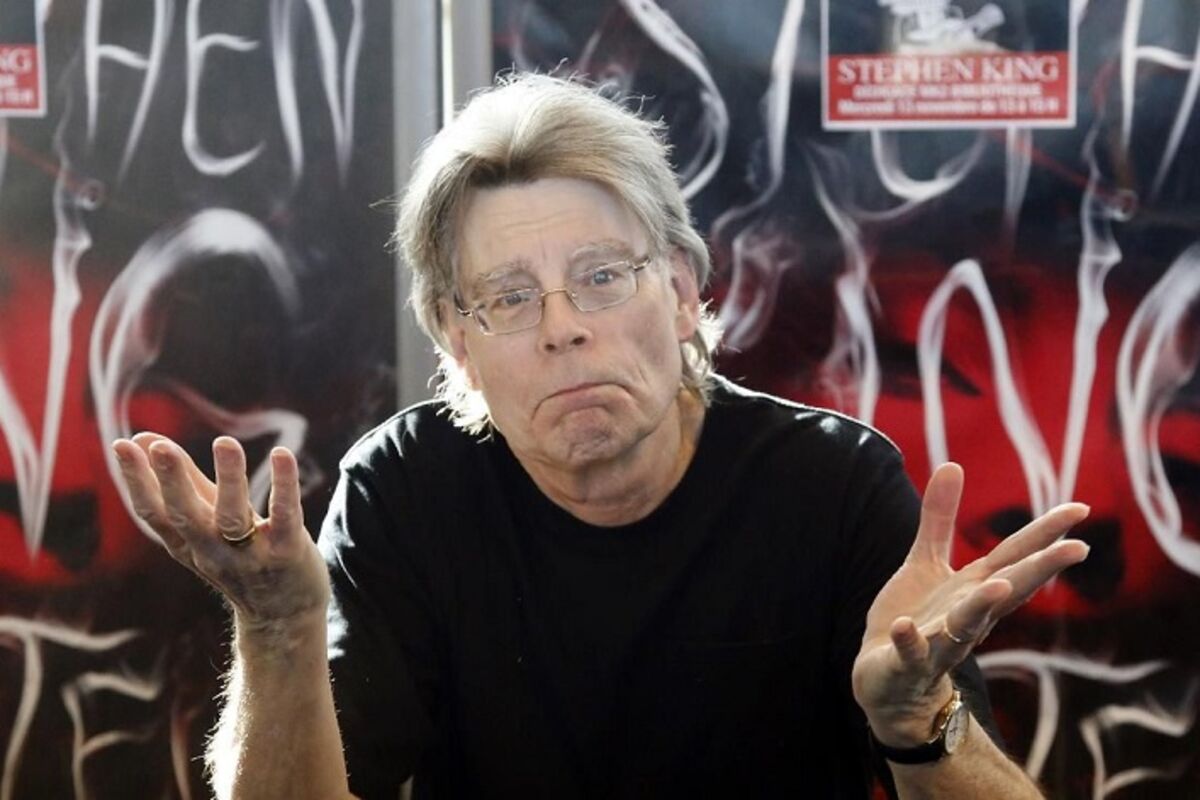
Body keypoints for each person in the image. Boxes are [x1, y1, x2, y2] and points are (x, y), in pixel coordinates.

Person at [111, 73, 1090, 799]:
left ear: (681, 292)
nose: (562, 327)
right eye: (509, 297)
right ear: (457, 339)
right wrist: (278, 627)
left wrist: (918, 720)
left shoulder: (831, 486)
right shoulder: (405, 491)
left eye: (601, 277)